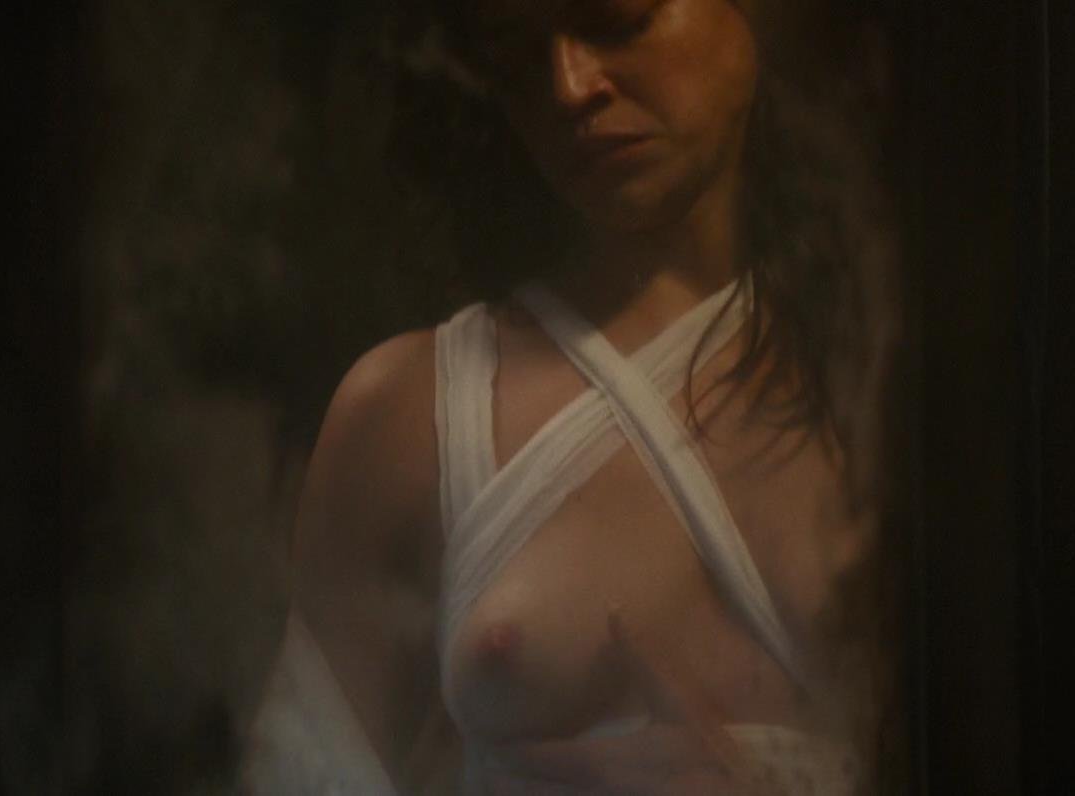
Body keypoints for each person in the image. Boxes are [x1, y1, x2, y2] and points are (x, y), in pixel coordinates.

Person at [245, 0, 900, 791]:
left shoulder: (889, 379)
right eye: (520, 56)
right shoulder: (414, 413)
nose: (568, 85)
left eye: (617, 20)